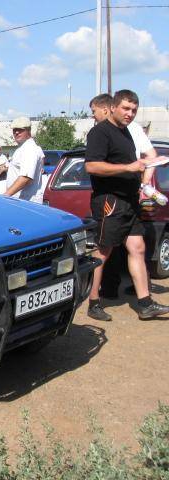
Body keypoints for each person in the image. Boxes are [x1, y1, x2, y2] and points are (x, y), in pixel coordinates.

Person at [84, 89, 169, 321]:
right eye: (126, 108)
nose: (130, 114)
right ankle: (92, 302)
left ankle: (145, 303)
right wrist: (129, 167)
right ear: (112, 107)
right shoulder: (100, 132)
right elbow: (92, 166)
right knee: (103, 251)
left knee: (138, 248)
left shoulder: (126, 132)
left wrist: (143, 177)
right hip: (110, 201)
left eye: (134, 110)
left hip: (130, 202)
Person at [4, 117, 44, 203]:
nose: (16, 132)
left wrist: (5, 196)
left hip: (26, 202)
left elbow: (26, 178)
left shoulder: (29, 149)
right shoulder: (22, 148)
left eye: (20, 129)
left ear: (28, 130)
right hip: (20, 200)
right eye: (14, 130)